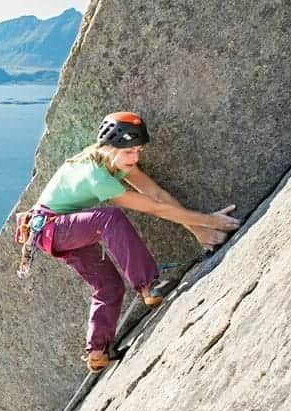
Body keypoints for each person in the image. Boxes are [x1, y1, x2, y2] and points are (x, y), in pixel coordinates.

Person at [32, 111, 241, 372]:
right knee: (110, 218)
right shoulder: (97, 177)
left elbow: (156, 195)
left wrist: (197, 229)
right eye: (129, 151)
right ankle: (147, 286)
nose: (136, 157)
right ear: (109, 147)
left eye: (138, 150)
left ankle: (98, 352)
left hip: (64, 230)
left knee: (108, 287)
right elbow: (153, 209)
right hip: (53, 228)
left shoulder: (114, 162)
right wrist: (210, 221)